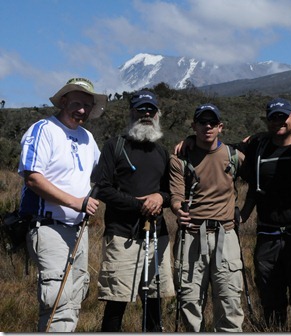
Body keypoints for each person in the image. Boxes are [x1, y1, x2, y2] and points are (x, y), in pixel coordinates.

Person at [18, 77, 105, 332]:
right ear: (63, 101)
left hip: (79, 230)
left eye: (87, 106)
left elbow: (103, 172)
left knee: (75, 297)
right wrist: (76, 202)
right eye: (77, 103)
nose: (82, 110)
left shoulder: (88, 138)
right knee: (58, 302)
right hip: (49, 228)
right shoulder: (44, 130)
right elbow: (33, 178)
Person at [94, 90, 175, 332]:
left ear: (158, 114)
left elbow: (171, 193)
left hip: (157, 237)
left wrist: (159, 197)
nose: (147, 114)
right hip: (122, 236)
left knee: (154, 302)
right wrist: (138, 204)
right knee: (116, 302)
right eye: (141, 110)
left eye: (151, 110)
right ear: (131, 113)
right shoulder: (115, 146)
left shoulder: (162, 152)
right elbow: (102, 188)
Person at [238, 98, 291, 331]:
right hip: (267, 235)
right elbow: (252, 186)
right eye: (273, 118)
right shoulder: (258, 148)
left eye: (283, 117)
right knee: (271, 297)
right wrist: (191, 141)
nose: (278, 122)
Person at [169, 103, 245, 332]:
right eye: (202, 122)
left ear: (220, 127)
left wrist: (246, 211)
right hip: (192, 236)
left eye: (212, 122)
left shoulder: (235, 156)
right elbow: (175, 195)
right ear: (194, 126)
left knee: (229, 301)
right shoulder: (180, 158)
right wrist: (177, 209)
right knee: (190, 302)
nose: (208, 126)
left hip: (226, 235)